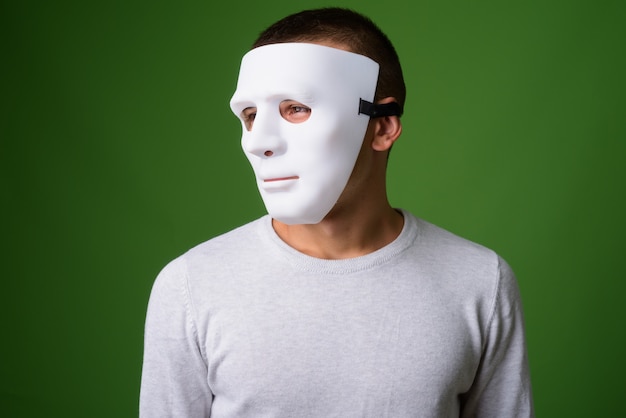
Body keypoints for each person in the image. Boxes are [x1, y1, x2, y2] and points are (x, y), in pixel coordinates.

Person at [140, 7, 533, 417]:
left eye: (296, 108)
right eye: (251, 115)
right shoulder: (191, 286)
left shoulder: (480, 282)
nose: (260, 141)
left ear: (382, 126)